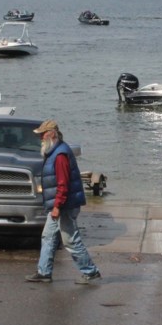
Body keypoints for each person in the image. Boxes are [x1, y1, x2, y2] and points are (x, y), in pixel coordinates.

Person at [26, 120, 101, 284]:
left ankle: (90, 271)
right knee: (48, 236)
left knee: (70, 240)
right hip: (61, 204)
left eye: (42, 134)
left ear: (52, 133)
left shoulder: (60, 155)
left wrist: (57, 206)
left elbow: (63, 184)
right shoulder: (55, 151)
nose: (40, 138)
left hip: (64, 205)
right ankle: (44, 272)